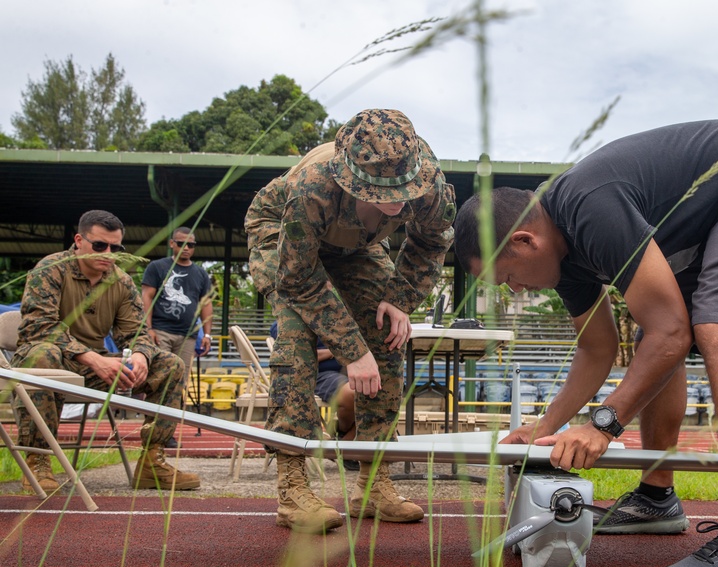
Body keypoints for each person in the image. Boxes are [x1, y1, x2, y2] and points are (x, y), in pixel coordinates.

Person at [453, 120, 718, 567]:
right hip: (707, 214)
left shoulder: (588, 205)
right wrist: (550, 423)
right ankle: (656, 497)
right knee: (655, 332)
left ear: (524, 241)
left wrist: (603, 425)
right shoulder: (563, 254)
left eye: (507, 278)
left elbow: (674, 334)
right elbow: (597, 347)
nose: (516, 290)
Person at [245, 108, 456, 533]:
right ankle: (292, 488)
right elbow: (299, 276)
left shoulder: (429, 182)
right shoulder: (313, 185)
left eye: (403, 189)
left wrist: (401, 299)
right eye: (381, 191)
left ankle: (373, 484)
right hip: (283, 236)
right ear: (350, 178)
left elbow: (433, 241)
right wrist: (352, 350)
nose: (397, 200)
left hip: (356, 246)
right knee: (295, 335)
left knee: (389, 334)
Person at [12, 210, 201, 493]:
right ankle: (38, 461)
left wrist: (140, 355)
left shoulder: (121, 282)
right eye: (100, 245)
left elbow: (136, 332)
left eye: (116, 248)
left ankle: (152, 461)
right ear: (79, 240)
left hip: (92, 365)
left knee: (170, 364)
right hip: (47, 361)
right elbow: (39, 327)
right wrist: (91, 357)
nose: (108, 253)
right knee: (42, 354)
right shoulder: (50, 269)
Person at [141, 226, 214, 447]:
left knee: (178, 385)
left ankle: (167, 432)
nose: (186, 248)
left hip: (188, 335)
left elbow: (207, 304)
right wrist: (148, 329)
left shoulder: (200, 273)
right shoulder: (157, 267)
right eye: (182, 243)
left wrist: (208, 334)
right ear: (172, 243)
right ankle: (150, 429)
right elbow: (147, 297)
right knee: (158, 380)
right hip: (161, 330)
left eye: (191, 245)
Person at [269, 320, 358, 449]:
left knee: (383, 394)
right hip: (315, 375)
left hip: (351, 370)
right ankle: (344, 438)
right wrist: (334, 352)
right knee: (353, 393)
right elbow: (295, 356)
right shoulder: (285, 322)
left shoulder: (339, 316)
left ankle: (343, 436)